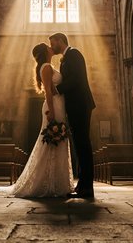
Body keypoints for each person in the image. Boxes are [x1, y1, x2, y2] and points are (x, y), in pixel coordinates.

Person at [9, 43, 75, 198]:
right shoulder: (46, 67)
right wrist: (51, 111)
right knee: (52, 141)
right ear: (45, 51)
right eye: (48, 46)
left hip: (58, 105)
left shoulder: (48, 66)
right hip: (53, 106)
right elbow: (48, 92)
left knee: (58, 141)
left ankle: (57, 182)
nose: (51, 47)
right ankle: (48, 183)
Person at [49, 32, 96, 199]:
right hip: (75, 105)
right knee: (79, 144)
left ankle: (87, 188)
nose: (52, 47)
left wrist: (57, 89)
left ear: (60, 41)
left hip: (80, 104)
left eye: (53, 43)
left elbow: (76, 79)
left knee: (83, 144)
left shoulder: (74, 54)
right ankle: (82, 185)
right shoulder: (66, 58)